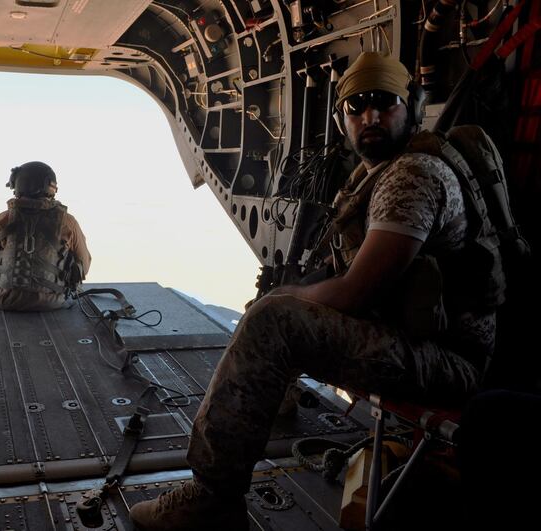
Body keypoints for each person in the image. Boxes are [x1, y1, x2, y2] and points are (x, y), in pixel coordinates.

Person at [129, 52, 502, 530]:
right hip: (415, 339)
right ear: (341, 117)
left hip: (447, 362)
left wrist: (281, 304)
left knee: (274, 320)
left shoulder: (413, 177)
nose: (368, 116)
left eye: (383, 103)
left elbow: (355, 293)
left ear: (411, 105)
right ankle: (269, 398)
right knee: (287, 297)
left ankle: (211, 498)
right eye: (355, 107)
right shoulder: (375, 174)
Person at [0, 161, 91, 311]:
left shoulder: (3, 219)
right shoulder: (68, 222)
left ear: (17, 187)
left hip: (4, 300)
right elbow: (84, 265)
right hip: (54, 302)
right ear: (51, 188)